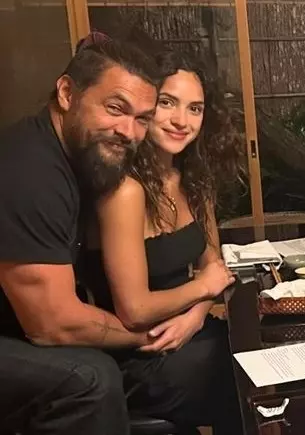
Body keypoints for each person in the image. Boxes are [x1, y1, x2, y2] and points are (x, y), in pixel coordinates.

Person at [0, 35, 161, 435]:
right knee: (90, 380)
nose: (128, 131)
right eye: (115, 108)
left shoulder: (76, 159)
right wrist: (147, 334)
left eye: (142, 119)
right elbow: (53, 324)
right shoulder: (29, 170)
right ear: (67, 93)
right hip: (24, 329)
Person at [80, 49, 244, 434]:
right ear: (146, 107)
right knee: (244, 379)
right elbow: (135, 310)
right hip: (141, 352)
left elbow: (212, 266)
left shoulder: (194, 180)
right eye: (167, 103)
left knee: (257, 353)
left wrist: (195, 316)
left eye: (195, 109)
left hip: (190, 331)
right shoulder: (124, 191)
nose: (181, 121)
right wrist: (202, 290)